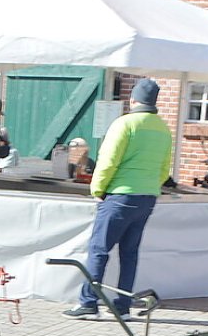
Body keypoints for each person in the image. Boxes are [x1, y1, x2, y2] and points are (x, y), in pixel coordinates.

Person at [66, 78, 172, 318]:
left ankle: (89, 302)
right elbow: (165, 169)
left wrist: (98, 189)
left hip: (120, 195)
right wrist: (150, 185)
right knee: (130, 252)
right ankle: (122, 306)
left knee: (99, 250)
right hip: (147, 197)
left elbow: (108, 160)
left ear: (133, 99)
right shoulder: (163, 129)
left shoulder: (124, 124)